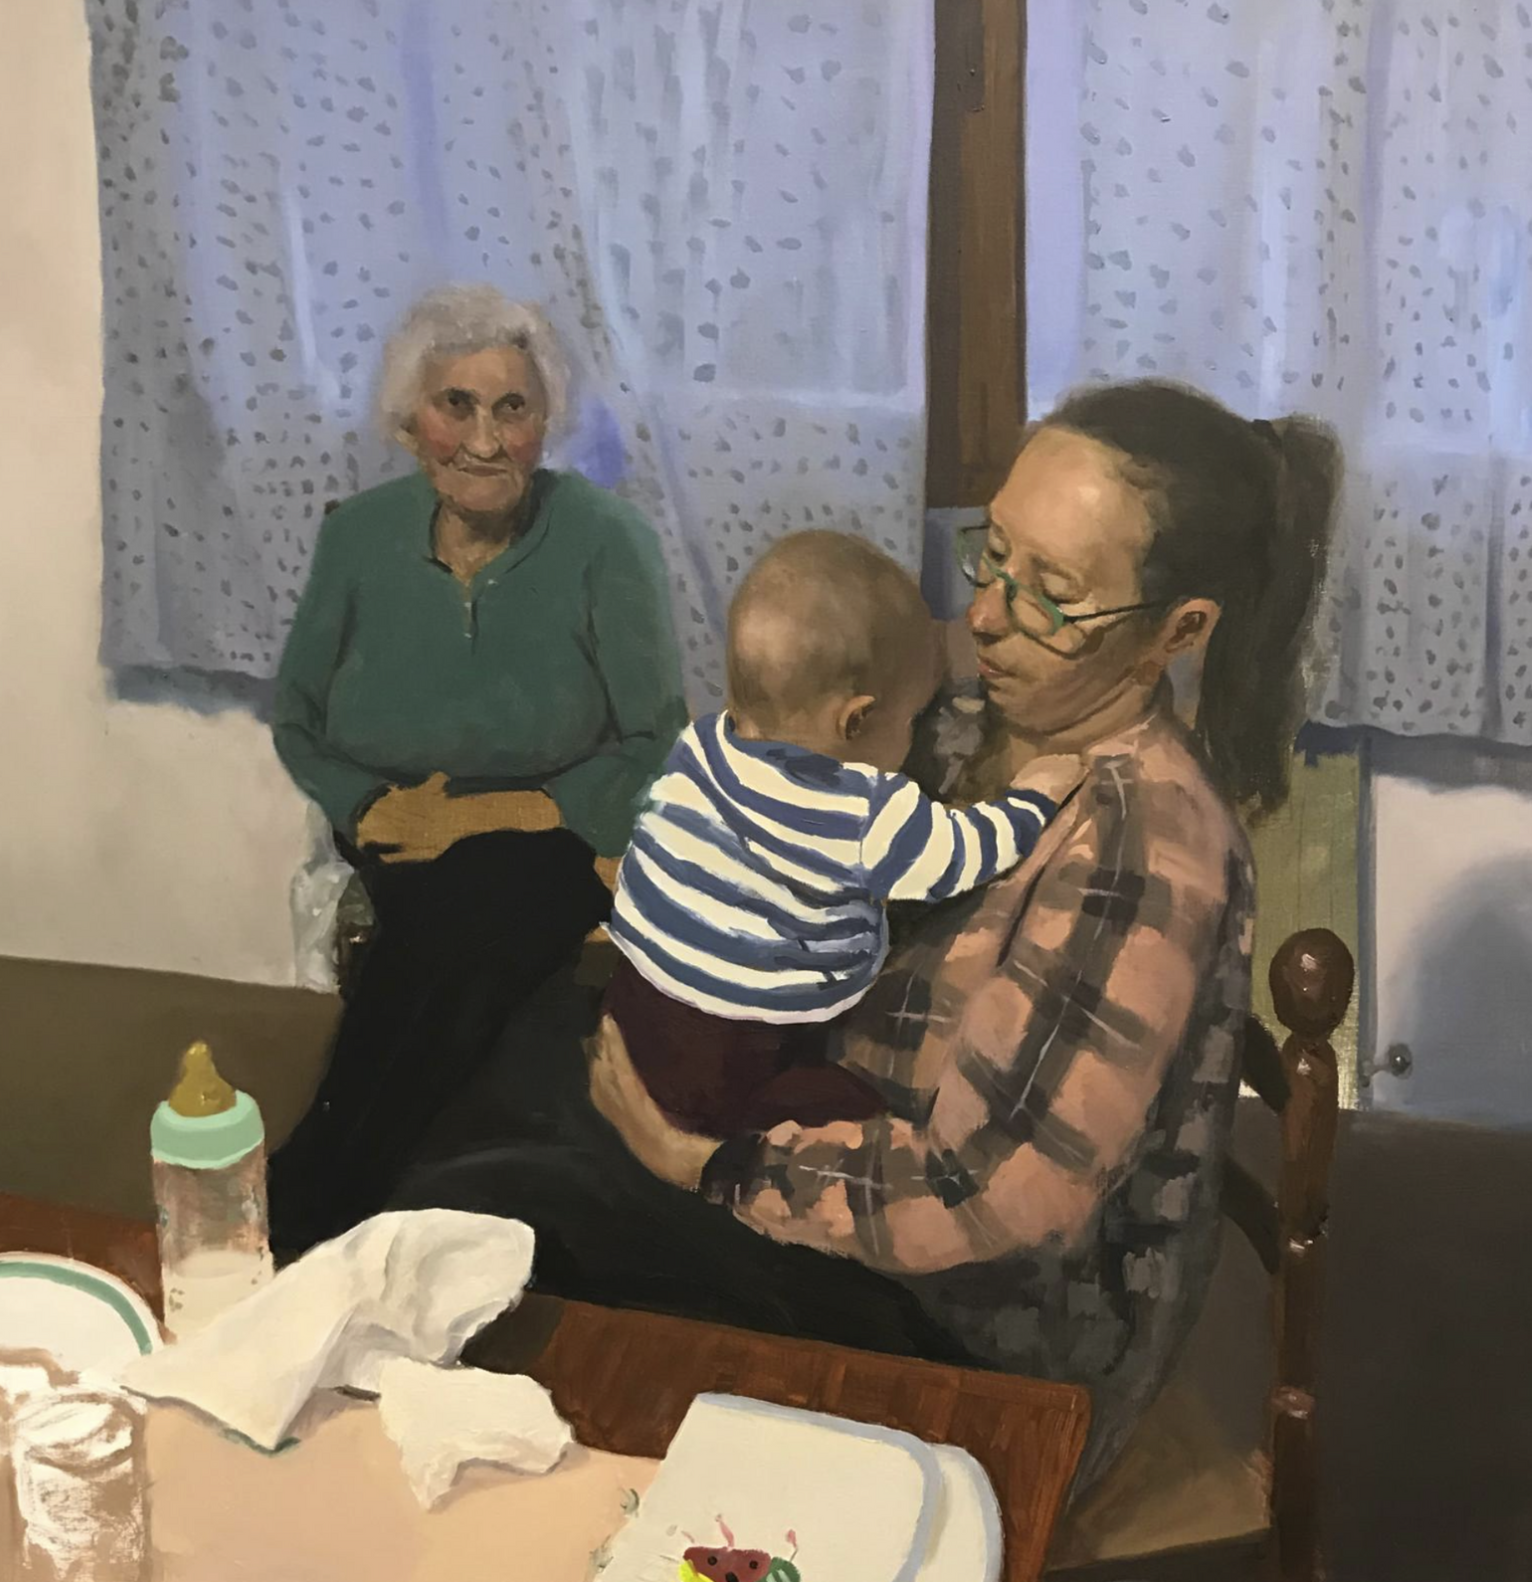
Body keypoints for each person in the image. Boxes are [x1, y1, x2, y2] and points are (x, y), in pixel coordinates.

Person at [395, 378, 1340, 1495]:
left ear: (1178, 632)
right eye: (994, 559)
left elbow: (992, 1198)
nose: (986, 618)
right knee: (499, 1070)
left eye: (1051, 595)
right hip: (849, 1148)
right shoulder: (1001, 710)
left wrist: (705, 1166)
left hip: (981, 1335)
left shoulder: (1140, 853)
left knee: (502, 1220)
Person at [266, 283, 686, 1254]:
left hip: (555, 831)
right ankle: (372, 1207)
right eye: (456, 405)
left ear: (546, 421)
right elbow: (296, 719)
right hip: (394, 823)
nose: (486, 440)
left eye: (513, 408)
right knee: (448, 929)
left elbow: (653, 740)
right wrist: (365, 806)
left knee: (466, 905)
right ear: (411, 419)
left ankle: (316, 1197)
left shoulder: (607, 542)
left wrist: (495, 813)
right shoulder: (357, 537)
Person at [605, 529, 1086, 1138]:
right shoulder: (863, 810)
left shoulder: (701, 745)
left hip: (639, 997)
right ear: (856, 719)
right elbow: (962, 853)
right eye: (911, 719)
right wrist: (1034, 796)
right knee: (859, 1109)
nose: (915, 733)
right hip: (746, 1045)